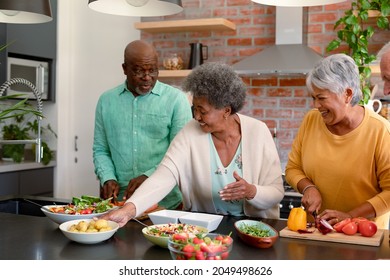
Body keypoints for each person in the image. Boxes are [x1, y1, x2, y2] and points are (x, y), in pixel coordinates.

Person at [101, 62, 284, 227]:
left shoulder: (258, 131)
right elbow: (164, 175)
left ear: (226, 110)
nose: (196, 117)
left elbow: (276, 192)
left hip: (253, 231)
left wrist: (251, 191)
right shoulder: (191, 131)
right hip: (202, 231)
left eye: (202, 111)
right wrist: (128, 210)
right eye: (194, 109)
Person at [285, 53, 390, 229]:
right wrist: (308, 187)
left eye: (321, 98)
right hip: (316, 232)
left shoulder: (380, 131)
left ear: (347, 94)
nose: (315, 105)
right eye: (313, 98)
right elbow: (293, 168)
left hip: (362, 237)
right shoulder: (311, 120)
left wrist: (350, 216)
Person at [93, 40, 193, 210]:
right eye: (139, 71)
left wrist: (149, 176)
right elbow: (101, 149)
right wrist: (107, 178)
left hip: (164, 203)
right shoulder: (106, 101)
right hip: (118, 203)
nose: (147, 77)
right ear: (125, 69)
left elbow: (181, 154)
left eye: (152, 70)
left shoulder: (176, 100)